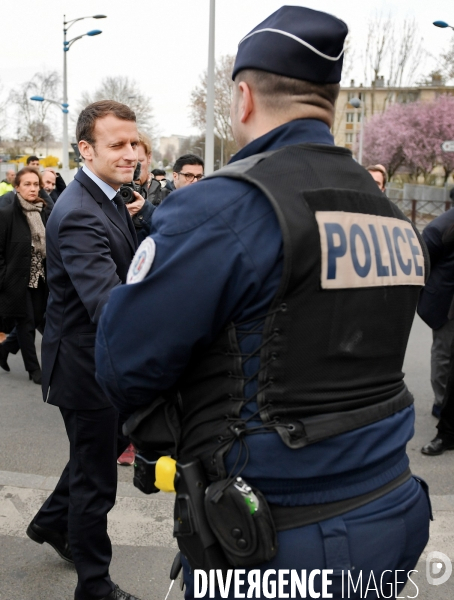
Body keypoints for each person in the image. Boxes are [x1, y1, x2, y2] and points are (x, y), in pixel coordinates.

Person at [95, 6, 431, 599]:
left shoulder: (224, 208)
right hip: (392, 508)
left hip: (282, 538)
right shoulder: (386, 214)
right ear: (331, 99)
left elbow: (123, 364)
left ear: (244, 98)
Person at [26, 100, 142, 600]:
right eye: (117, 145)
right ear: (85, 149)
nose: (131, 153)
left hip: (101, 362)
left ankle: (51, 522)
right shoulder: (77, 212)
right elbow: (109, 304)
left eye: (133, 142)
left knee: (94, 455)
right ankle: (94, 585)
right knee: (97, 481)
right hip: (86, 369)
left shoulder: (111, 197)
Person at [0, 168, 51, 383]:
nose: (32, 188)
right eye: (27, 184)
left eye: (35, 184)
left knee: (38, 319)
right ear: (17, 187)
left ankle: (5, 349)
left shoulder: (43, 212)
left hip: (40, 279)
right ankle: (34, 370)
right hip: (16, 281)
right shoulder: (7, 214)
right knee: (27, 324)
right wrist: (4, 278)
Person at [418, 208, 454, 420]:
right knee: (444, 354)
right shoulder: (439, 227)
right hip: (446, 303)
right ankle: (441, 403)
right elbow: (422, 263)